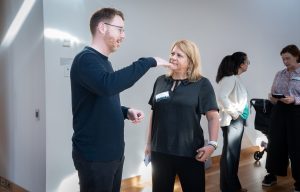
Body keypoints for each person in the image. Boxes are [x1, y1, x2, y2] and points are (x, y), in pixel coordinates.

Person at [70, 8, 172, 192]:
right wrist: (148, 61)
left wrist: (125, 112)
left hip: (113, 155)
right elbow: (108, 85)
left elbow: (103, 97)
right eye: (120, 29)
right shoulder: (85, 60)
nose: (123, 35)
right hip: (95, 157)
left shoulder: (104, 62)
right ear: (102, 27)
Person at [145, 39, 220, 192]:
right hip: (161, 151)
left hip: (190, 152)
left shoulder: (202, 84)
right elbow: (154, 113)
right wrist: (148, 144)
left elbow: (213, 116)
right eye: (172, 53)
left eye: (179, 55)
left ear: (190, 61)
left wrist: (212, 144)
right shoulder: (160, 81)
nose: (173, 57)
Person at [262, 44, 300, 192]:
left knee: (296, 147)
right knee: (275, 143)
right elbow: (273, 92)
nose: (285, 61)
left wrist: (295, 100)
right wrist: (273, 97)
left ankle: (299, 182)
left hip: (297, 112)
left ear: (297, 56)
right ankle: (272, 174)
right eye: (283, 59)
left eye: (288, 58)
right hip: (279, 110)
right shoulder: (280, 74)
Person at [216, 52, 250, 192]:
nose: (248, 64)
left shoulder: (235, 78)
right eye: (248, 62)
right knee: (231, 156)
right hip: (233, 122)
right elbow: (222, 97)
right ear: (241, 64)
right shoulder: (230, 78)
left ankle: (230, 187)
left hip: (237, 122)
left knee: (231, 156)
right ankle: (232, 188)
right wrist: (235, 114)